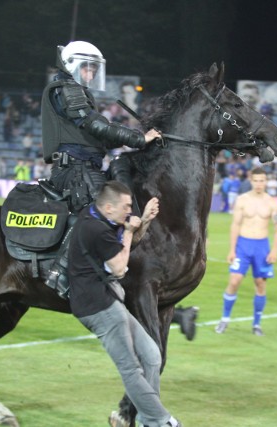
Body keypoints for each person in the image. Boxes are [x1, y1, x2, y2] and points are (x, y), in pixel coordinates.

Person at [40, 40, 160, 295]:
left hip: (88, 165)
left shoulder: (79, 92)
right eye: (87, 68)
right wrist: (139, 138)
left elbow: (102, 135)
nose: (91, 74)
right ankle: (60, 274)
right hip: (73, 169)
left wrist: (144, 143)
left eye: (94, 69)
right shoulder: (65, 89)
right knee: (98, 210)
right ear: (73, 65)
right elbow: (96, 126)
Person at [67, 181, 181, 427]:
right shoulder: (95, 229)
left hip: (108, 301)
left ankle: (148, 419)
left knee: (151, 356)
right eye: (126, 206)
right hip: (98, 307)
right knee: (131, 368)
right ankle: (159, 421)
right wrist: (129, 231)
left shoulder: (99, 218)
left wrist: (146, 220)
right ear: (109, 207)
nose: (130, 211)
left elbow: (123, 246)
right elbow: (119, 267)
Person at [215, 168, 277, 336]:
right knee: (234, 281)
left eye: (262, 180)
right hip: (243, 245)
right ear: (251, 181)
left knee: (260, 284)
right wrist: (232, 249)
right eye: (256, 180)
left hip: (262, 246)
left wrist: (274, 250)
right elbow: (235, 225)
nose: (259, 184)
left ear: (266, 182)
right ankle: (224, 319)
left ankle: (257, 324)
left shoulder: (271, 202)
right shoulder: (242, 200)